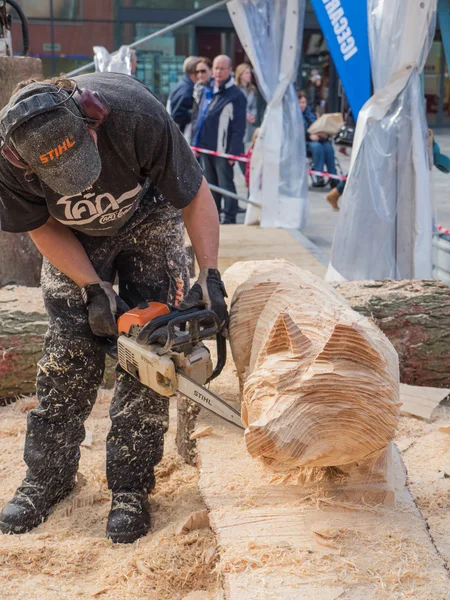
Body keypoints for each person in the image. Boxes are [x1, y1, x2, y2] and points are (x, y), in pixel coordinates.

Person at [0, 73, 228, 544]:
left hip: (149, 216)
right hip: (71, 238)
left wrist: (209, 273)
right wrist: (93, 286)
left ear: (91, 118)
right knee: (67, 356)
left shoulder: (137, 117)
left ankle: (130, 487)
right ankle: (48, 479)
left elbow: (194, 193)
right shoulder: (8, 162)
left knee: (153, 353)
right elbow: (40, 225)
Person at [191, 55, 246, 225]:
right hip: (205, 147)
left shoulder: (236, 95)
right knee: (210, 185)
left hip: (223, 150)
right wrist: (194, 143)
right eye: (216, 68)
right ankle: (214, 217)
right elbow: (197, 118)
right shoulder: (206, 90)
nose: (218, 72)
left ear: (230, 70)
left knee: (225, 184)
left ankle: (229, 217)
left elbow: (239, 127)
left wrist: (233, 153)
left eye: (222, 68)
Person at [297, 91, 337, 187]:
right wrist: (309, 136)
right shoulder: (294, 116)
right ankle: (318, 175)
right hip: (304, 142)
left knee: (328, 148)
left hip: (317, 138)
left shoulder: (311, 115)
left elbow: (316, 127)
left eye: (304, 102)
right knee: (317, 147)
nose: (302, 105)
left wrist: (323, 133)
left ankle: (333, 176)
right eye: (300, 102)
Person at [167, 55, 198, 133]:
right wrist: (198, 114)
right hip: (181, 135)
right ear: (194, 72)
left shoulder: (183, 85)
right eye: (200, 70)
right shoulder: (186, 89)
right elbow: (177, 116)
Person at [235, 63, 257, 146]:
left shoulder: (252, 89)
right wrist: (244, 115)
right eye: (247, 73)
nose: (249, 75)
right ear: (240, 75)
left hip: (248, 124)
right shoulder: (235, 89)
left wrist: (252, 116)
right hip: (238, 122)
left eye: (250, 73)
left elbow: (254, 106)